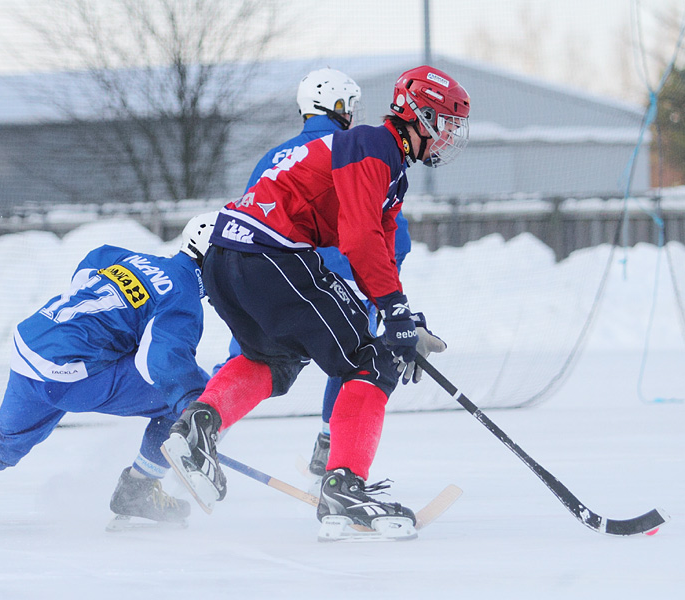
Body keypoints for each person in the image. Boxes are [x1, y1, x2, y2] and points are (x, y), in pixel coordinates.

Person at [162, 65, 470, 538]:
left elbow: (380, 249)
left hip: (226, 255)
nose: (449, 137)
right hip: (273, 253)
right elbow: (360, 238)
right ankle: (344, 490)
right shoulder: (372, 148)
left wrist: (399, 312)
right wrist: (392, 325)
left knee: (274, 358)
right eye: (446, 123)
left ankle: (198, 428)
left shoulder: (379, 161)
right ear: (421, 116)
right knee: (373, 360)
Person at [0, 213, 218, 530]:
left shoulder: (134, 259)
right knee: (199, 398)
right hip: (72, 373)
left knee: (1, 440)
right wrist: (192, 415)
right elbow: (164, 363)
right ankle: (140, 488)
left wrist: (97, 327)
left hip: (31, 348)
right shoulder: (182, 295)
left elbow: (96, 258)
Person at [212, 68, 413, 480]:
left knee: (256, 357)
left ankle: (203, 433)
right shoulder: (354, 146)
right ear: (340, 107)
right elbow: (387, 237)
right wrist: (392, 301)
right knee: (359, 360)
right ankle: (333, 456)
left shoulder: (276, 155)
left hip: (257, 270)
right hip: (329, 278)